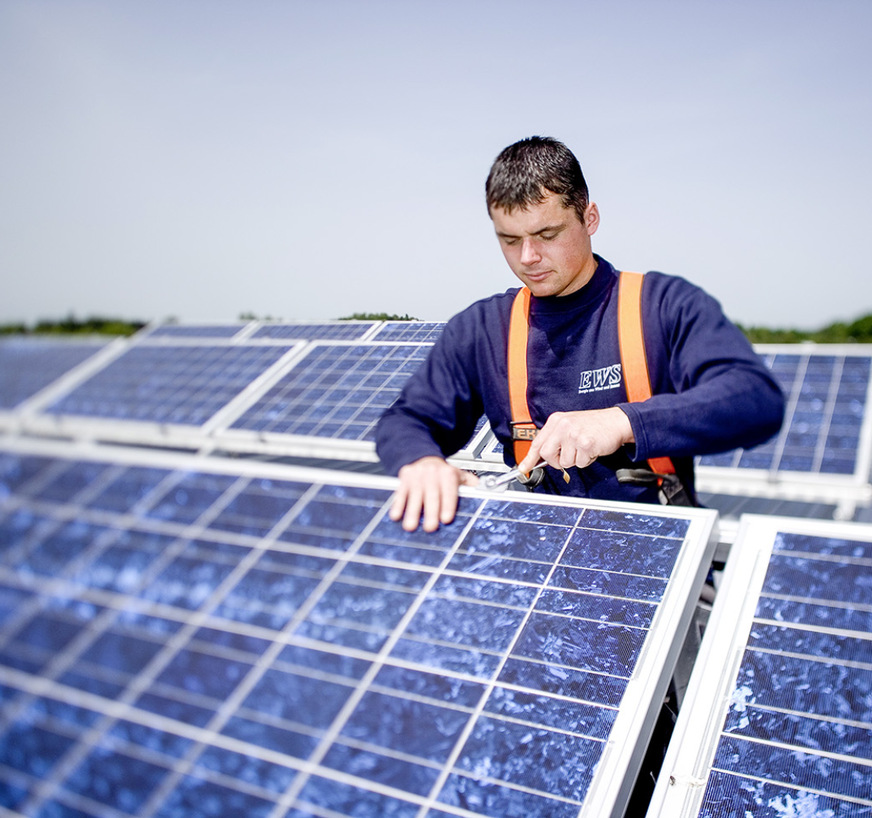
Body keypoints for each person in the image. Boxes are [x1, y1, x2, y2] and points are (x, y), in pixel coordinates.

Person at [376, 136, 784, 532]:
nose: (528, 257)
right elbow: (406, 421)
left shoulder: (662, 306)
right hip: (540, 568)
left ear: (590, 218)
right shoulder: (482, 329)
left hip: (656, 565)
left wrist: (624, 421)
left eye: (547, 235)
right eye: (510, 240)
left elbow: (756, 400)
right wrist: (422, 462)